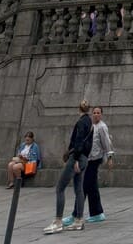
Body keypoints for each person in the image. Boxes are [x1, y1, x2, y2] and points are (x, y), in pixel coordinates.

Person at [43, 100, 93, 234]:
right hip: (84, 158)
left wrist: (75, 158)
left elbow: (78, 142)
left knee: (60, 188)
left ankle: (58, 221)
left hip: (77, 158)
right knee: (79, 189)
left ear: (79, 109)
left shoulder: (81, 122)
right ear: (88, 109)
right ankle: (79, 220)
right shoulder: (90, 122)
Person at [64, 106, 114, 227]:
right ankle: (97, 213)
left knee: (83, 186)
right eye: (94, 112)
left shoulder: (102, 127)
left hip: (95, 160)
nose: (96, 115)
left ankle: (76, 214)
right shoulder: (90, 125)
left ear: (101, 114)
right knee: (92, 187)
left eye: (98, 113)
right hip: (87, 158)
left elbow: (107, 143)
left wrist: (110, 157)